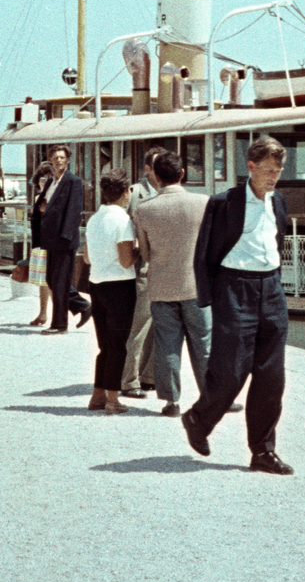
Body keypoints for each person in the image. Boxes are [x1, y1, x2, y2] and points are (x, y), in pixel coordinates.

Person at [181, 135, 294, 475]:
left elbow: (278, 241)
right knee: (230, 368)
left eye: (279, 170)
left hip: (271, 288)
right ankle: (199, 419)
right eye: (269, 170)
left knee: (271, 375)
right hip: (234, 287)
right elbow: (204, 252)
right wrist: (208, 297)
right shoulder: (224, 202)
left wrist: (271, 282)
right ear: (251, 167)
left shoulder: (280, 202)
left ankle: (262, 451)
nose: (274, 177)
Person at [132, 151, 213, 418]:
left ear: (156, 176)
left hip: (162, 287)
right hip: (196, 288)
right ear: (183, 174)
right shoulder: (204, 203)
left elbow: (144, 253)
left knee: (167, 345)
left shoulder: (144, 210)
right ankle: (212, 396)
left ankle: (171, 402)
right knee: (204, 344)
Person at [82, 170, 138, 414]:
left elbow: (86, 257)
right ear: (125, 192)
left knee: (105, 344)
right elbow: (126, 261)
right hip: (120, 286)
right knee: (118, 345)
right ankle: (113, 399)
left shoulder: (94, 219)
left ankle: (97, 394)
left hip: (97, 283)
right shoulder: (123, 220)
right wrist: (142, 251)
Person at [119, 145, 166, 398]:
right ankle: (129, 379)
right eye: (155, 165)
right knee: (138, 325)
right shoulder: (135, 193)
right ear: (147, 168)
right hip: (144, 267)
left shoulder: (168, 191)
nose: (159, 171)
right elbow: (122, 228)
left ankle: (149, 376)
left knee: (159, 325)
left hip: (166, 267)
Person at [37, 145, 90, 334]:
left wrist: (66, 236)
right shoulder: (51, 181)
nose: (59, 160)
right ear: (50, 159)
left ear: (68, 160)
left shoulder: (73, 181)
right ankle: (82, 306)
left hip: (63, 239)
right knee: (52, 280)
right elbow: (46, 205)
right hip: (51, 239)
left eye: (62, 157)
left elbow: (74, 210)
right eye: (55, 157)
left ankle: (59, 324)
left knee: (59, 282)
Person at [25, 161, 56, 327]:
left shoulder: (52, 197)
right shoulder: (39, 197)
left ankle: (58, 316)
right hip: (40, 243)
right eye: (42, 179)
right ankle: (43, 313)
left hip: (50, 244)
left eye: (48, 179)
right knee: (43, 282)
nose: (44, 181)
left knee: (50, 281)